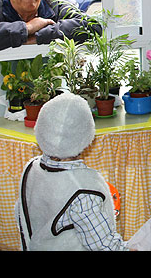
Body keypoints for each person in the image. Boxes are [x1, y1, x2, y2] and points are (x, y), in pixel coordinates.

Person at [15, 92, 131, 251]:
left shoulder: (30, 167)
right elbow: (104, 246)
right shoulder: (84, 190)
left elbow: (21, 216)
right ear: (87, 135)